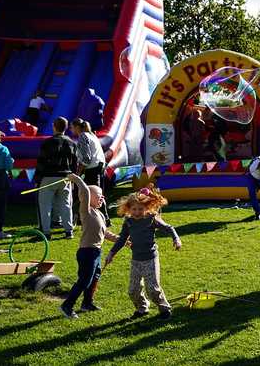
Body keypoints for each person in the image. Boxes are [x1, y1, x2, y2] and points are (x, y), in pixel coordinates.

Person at [105, 185, 182, 320]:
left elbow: (169, 228)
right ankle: (142, 308)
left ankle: (165, 309)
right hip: (136, 260)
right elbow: (122, 239)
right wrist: (111, 253)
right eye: (134, 209)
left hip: (150, 259)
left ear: (146, 208)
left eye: (140, 209)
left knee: (152, 289)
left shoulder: (151, 218)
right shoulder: (128, 221)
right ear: (129, 208)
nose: (137, 212)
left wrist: (176, 239)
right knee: (133, 290)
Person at [59, 174, 119, 319]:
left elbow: (105, 233)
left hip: (96, 251)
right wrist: (77, 179)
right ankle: (67, 305)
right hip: (87, 252)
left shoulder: (100, 214)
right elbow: (85, 192)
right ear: (88, 197)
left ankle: (87, 303)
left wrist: (121, 240)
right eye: (99, 195)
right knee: (85, 279)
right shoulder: (86, 211)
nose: (102, 198)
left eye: (103, 196)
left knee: (95, 277)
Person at [34, 117, 77, 240]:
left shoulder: (47, 143)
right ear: (66, 127)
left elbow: (41, 162)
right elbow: (75, 163)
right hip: (65, 177)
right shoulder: (72, 143)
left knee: (45, 205)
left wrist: (37, 179)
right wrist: (73, 177)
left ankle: (46, 232)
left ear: (54, 126)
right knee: (66, 204)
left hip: (48, 177)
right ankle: (69, 231)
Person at [71, 119, 110, 225]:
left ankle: (102, 218)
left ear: (77, 127)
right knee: (97, 193)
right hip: (99, 167)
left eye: (72, 127)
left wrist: (78, 172)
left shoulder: (83, 136)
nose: (71, 129)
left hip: (92, 169)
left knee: (90, 194)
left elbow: (86, 158)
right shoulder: (92, 135)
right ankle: (98, 218)